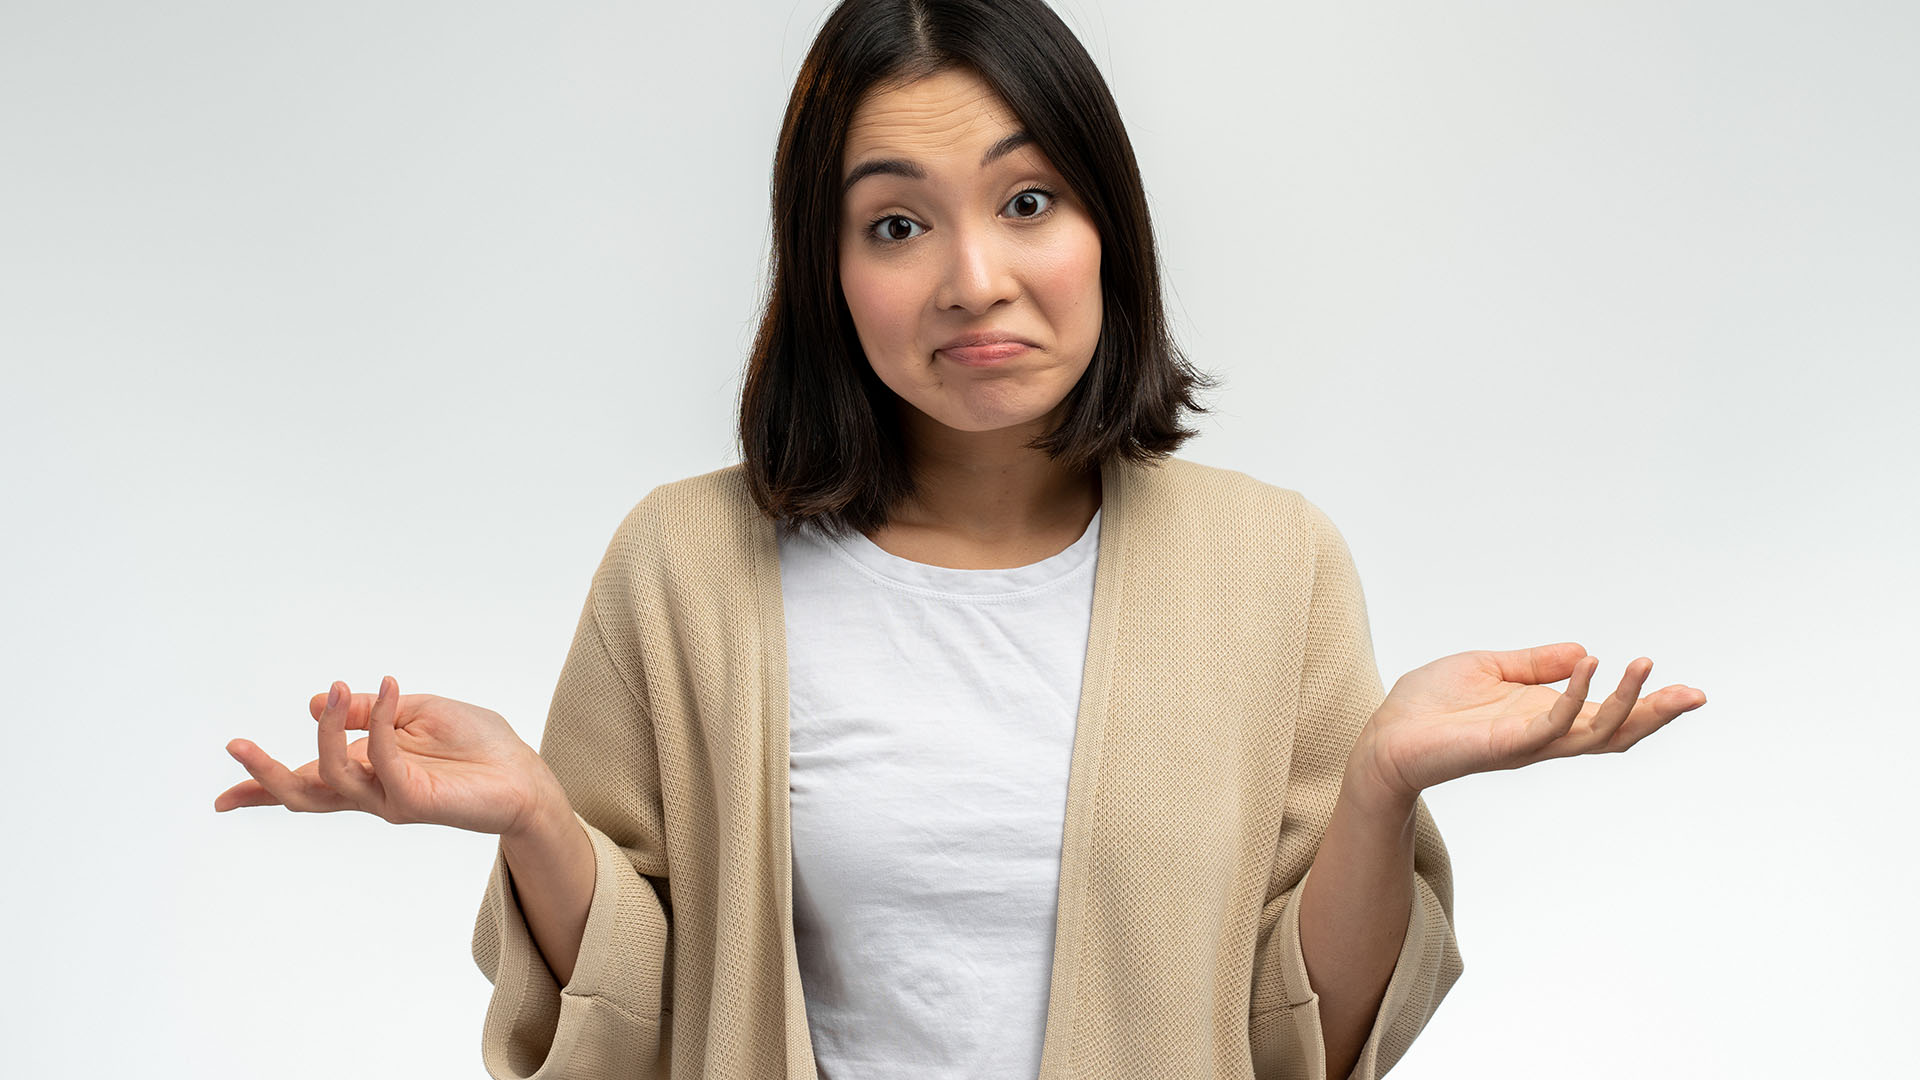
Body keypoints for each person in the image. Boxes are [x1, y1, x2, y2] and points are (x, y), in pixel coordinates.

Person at [213, 1, 1709, 1077]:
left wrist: (1383, 780)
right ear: (827, 267)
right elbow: (644, 1018)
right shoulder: (682, 570)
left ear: (1106, 231)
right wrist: (539, 817)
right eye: (896, 224)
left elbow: (1300, 1045)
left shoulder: (1275, 569)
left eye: (1028, 200)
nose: (973, 279)